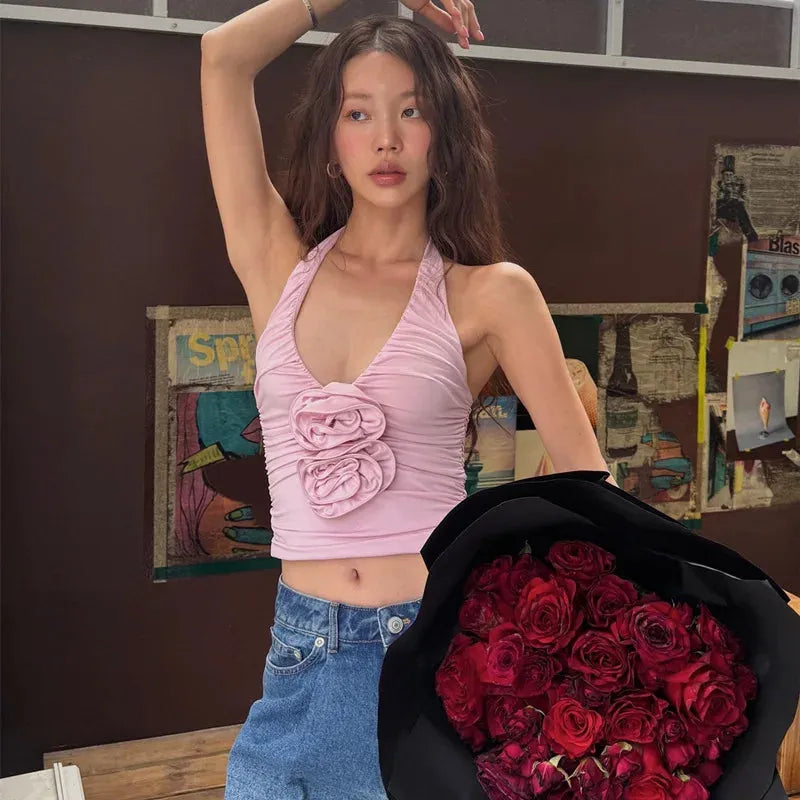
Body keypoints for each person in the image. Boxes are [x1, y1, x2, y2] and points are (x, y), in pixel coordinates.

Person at [200, 1, 614, 797]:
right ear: (331, 139)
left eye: (411, 111)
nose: (386, 139)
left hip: (428, 653)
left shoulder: (491, 294)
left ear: (444, 136)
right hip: (297, 655)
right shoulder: (277, 266)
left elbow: (590, 491)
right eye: (359, 113)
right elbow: (223, 57)